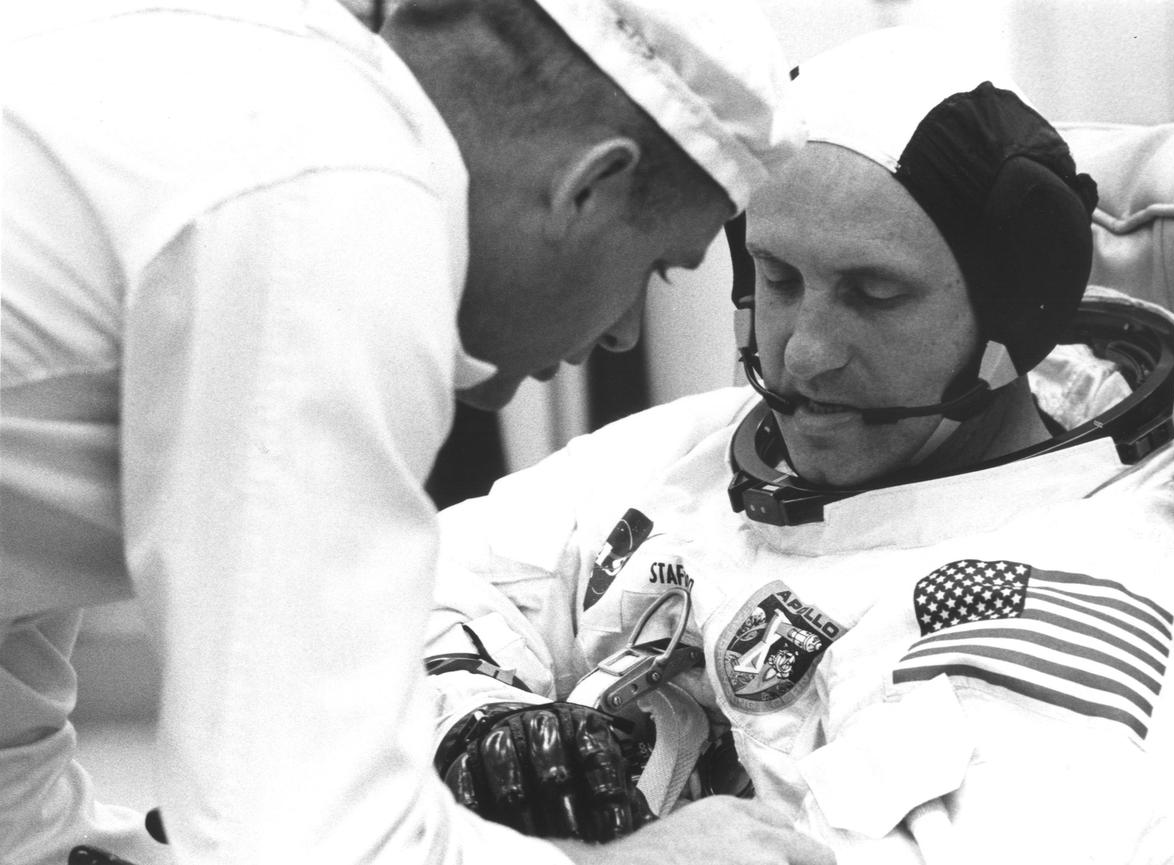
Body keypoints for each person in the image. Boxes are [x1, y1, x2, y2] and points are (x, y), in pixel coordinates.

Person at [0, 1, 834, 864]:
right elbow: (308, 837)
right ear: (588, 186)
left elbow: (11, 782)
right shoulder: (340, 198)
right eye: (656, 268)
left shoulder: (238, 82)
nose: (624, 332)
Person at [420, 27, 1174, 864]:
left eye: (872, 292)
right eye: (780, 280)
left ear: (1015, 315)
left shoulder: (1079, 639)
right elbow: (403, 589)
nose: (804, 352)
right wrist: (481, 728)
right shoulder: (707, 446)